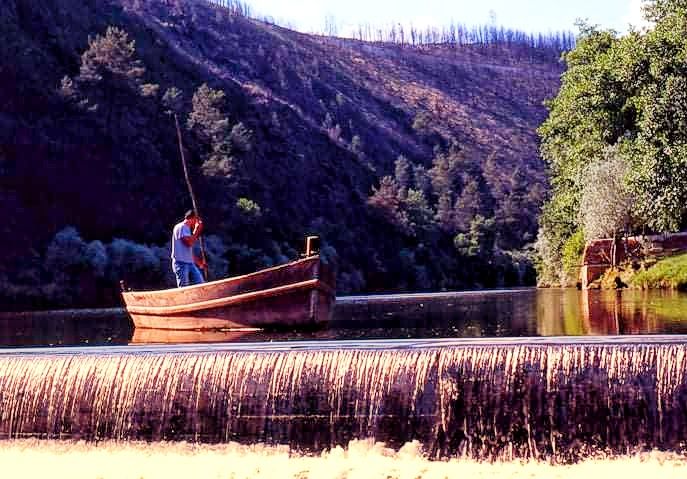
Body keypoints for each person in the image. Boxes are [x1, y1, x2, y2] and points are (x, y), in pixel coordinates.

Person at [171, 209, 207, 287]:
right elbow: (189, 243)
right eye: (197, 220)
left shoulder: (186, 229)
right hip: (181, 263)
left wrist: (199, 263)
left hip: (190, 263)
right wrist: (197, 230)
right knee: (184, 289)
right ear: (193, 218)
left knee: (201, 285)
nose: (197, 222)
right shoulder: (181, 227)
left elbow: (188, 251)